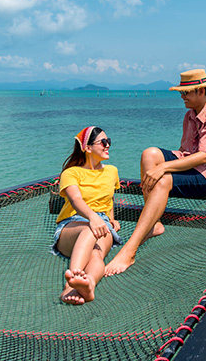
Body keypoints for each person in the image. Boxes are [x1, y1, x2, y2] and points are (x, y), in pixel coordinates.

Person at [104, 68, 206, 276]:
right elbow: (185, 152)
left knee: (163, 180)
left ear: (201, 91)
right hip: (189, 162)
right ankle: (154, 223)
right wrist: (161, 163)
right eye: (181, 92)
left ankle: (130, 250)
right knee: (149, 154)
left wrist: (163, 167)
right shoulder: (189, 115)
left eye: (185, 93)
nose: (182, 97)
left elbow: (203, 157)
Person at [51, 125, 122, 305]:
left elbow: (110, 199)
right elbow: (75, 199)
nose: (108, 145)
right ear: (87, 148)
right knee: (90, 230)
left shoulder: (112, 171)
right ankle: (70, 285)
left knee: (96, 256)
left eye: (109, 142)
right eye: (103, 142)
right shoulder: (71, 173)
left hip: (103, 224)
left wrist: (111, 219)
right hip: (73, 225)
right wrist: (93, 217)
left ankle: (89, 283)